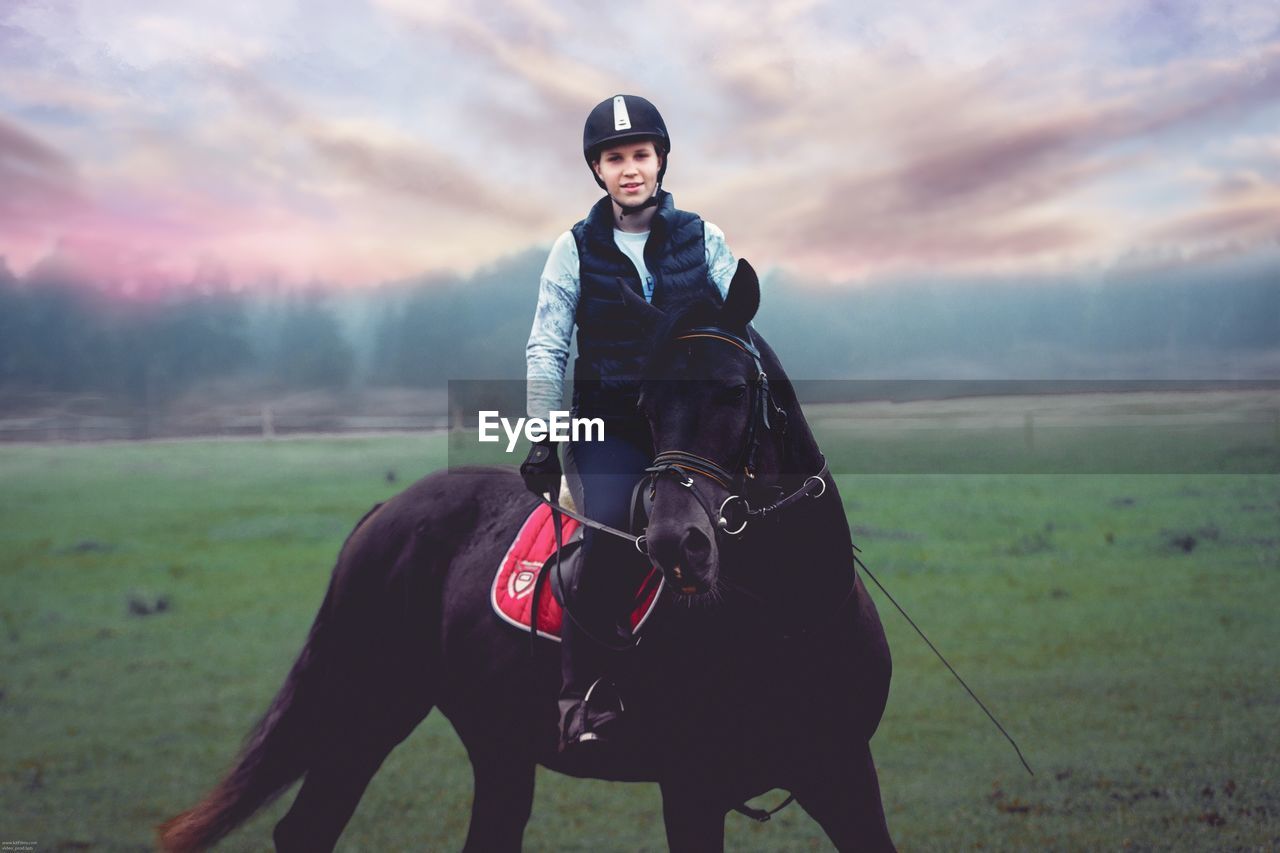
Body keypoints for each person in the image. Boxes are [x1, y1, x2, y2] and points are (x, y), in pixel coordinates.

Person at [521, 94, 740, 755]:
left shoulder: (707, 239)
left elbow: (740, 334)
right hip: (608, 425)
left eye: (640, 154)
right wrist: (540, 432)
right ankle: (583, 692)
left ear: (661, 159)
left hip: (688, 426)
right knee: (614, 533)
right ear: (597, 170)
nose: (630, 169)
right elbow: (547, 344)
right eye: (614, 158)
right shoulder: (573, 249)